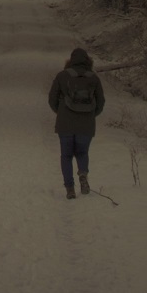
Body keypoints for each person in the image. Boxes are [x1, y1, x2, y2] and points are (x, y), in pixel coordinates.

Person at [48, 45, 105, 199]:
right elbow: (101, 102)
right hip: (86, 125)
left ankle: (69, 188)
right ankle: (83, 175)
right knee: (82, 152)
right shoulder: (93, 78)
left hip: (65, 124)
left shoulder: (62, 76)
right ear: (88, 61)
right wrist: (91, 114)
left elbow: (52, 99)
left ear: (71, 61)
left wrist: (61, 112)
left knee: (66, 156)